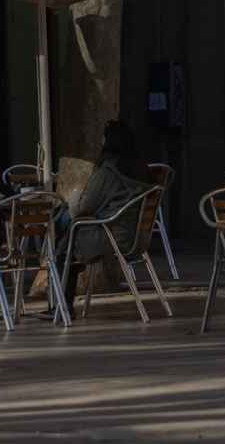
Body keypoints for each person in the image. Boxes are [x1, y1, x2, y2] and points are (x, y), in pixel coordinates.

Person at [54, 120, 152, 309]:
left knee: (59, 226)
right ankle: (61, 297)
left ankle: (60, 306)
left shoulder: (109, 172)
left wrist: (72, 198)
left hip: (109, 234)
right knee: (64, 229)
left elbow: (84, 207)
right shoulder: (140, 170)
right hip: (133, 235)